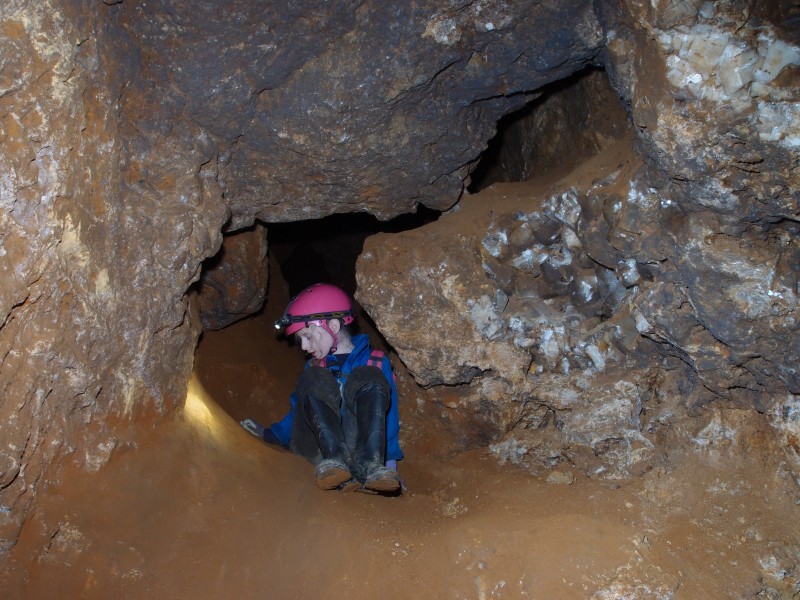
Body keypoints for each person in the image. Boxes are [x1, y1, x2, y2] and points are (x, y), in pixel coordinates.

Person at [241, 283, 403, 494]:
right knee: (315, 376)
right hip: (317, 452)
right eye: (301, 340)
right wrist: (272, 434)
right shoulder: (315, 367)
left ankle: (369, 467)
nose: (304, 347)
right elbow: (297, 409)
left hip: (356, 450)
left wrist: (389, 466)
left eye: (307, 336)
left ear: (333, 326)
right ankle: (335, 463)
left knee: (368, 375)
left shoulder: (375, 362)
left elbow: (387, 417)